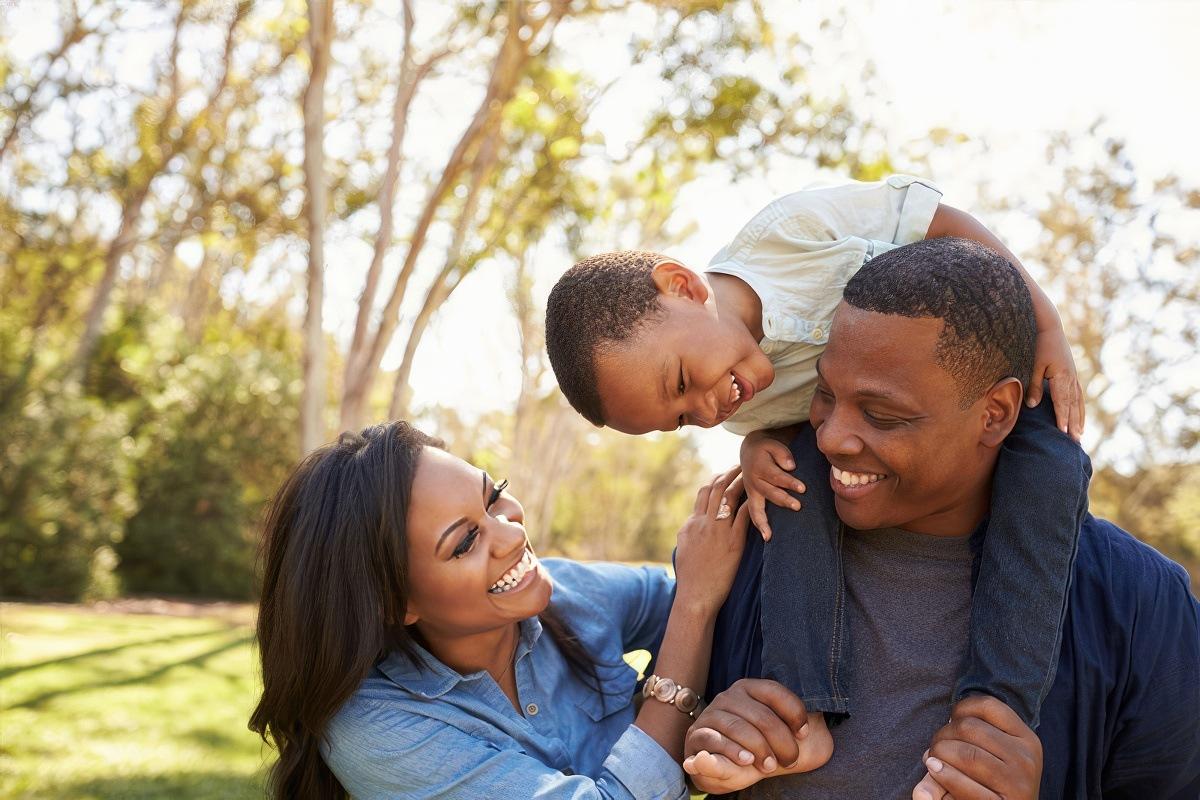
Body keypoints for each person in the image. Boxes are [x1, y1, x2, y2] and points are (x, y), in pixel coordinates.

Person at [544, 176, 1089, 770]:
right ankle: (804, 710)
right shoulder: (739, 399)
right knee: (789, 489)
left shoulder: (791, 233)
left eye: (681, 382)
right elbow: (799, 424)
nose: (704, 411)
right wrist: (757, 445)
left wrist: (1045, 328)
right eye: (680, 418)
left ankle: (996, 711)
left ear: (681, 286)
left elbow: (944, 225)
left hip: (968, 386)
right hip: (861, 443)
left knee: (1054, 466)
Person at [680, 237, 1200, 798]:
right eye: (825, 394)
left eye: (882, 415)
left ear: (995, 413)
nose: (829, 437)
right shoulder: (744, 547)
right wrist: (706, 733)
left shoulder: (1141, 606)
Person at [247, 422, 822, 799]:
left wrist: (770, 444)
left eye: (492, 495)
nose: (510, 533)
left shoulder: (565, 593)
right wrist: (694, 613)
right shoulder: (378, 732)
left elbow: (718, 596)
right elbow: (695, 604)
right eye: (465, 542)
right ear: (397, 603)